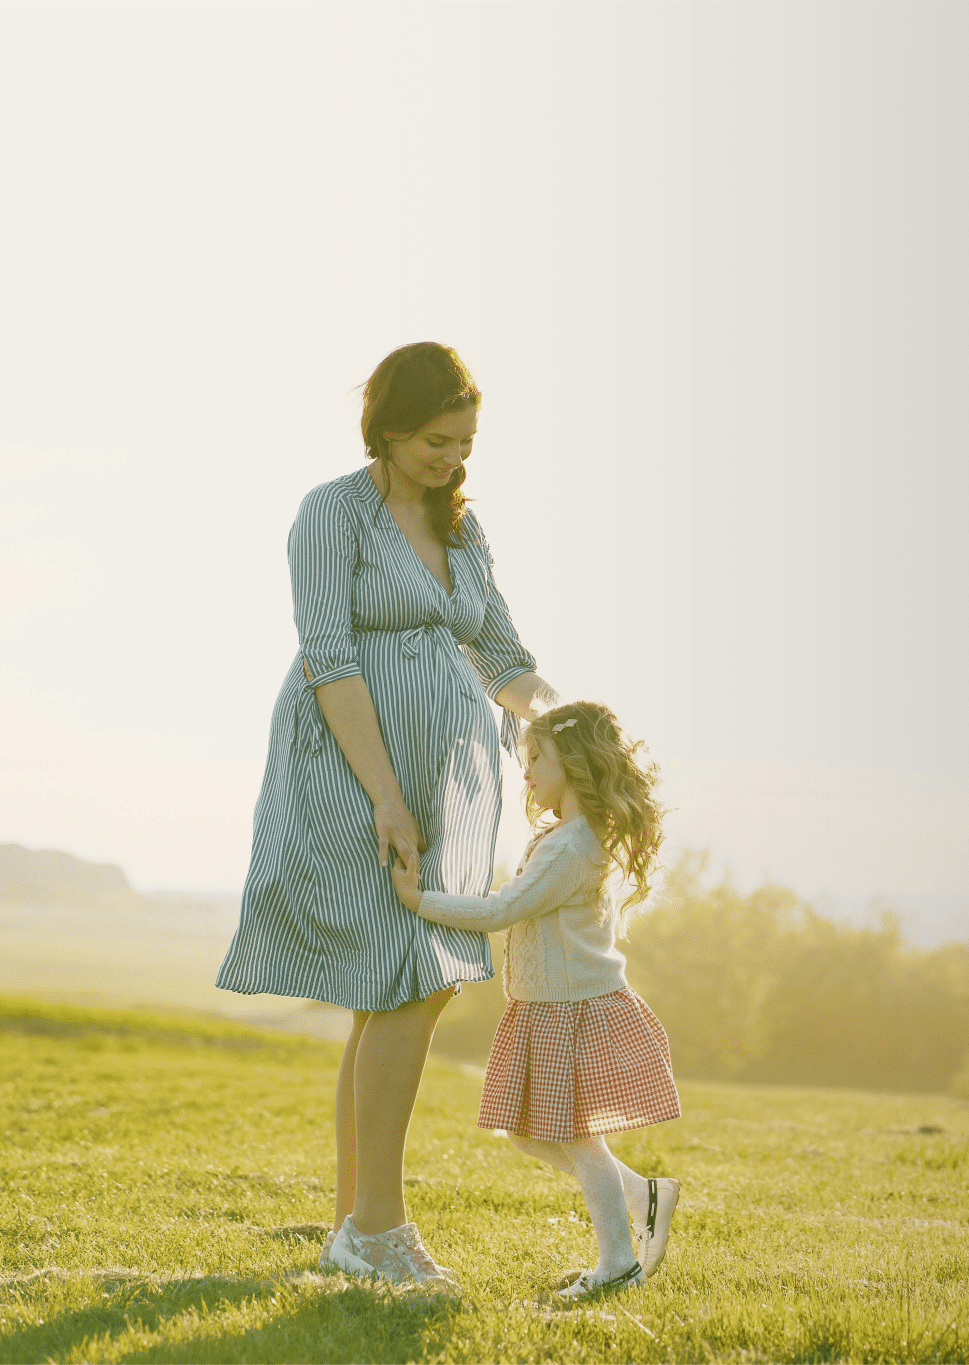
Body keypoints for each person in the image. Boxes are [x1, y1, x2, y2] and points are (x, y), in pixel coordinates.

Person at [216, 342, 559, 1285]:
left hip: (454, 780)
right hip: (350, 767)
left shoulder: (463, 527)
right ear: (389, 428)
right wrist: (387, 799)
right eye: (437, 441)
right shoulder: (332, 513)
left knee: (406, 982)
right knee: (406, 978)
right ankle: (378, 1228)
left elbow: (505, 658)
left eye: (466, 444)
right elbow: (328, 655)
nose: (453, 459)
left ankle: (352, 1228)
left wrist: (572, 723)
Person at [390, 700, 681, 1299]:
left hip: (571, 1010)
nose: (526, 772)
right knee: (527, 1132)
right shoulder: (564, 838)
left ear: (571, 764)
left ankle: (618, 1264)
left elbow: (504, 909)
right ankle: (641, 1195)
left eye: (537, 758)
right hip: (547, 1007)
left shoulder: (571, 848)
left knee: (576, 1135)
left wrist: (420, 901)